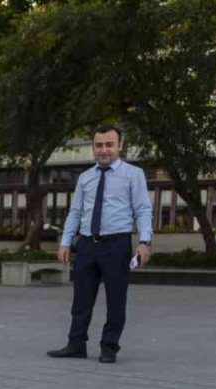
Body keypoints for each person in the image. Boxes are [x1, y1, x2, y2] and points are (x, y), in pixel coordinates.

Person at [48, 124, 153, 364]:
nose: (103, 150)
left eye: (109, 145)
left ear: (120, 146)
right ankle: (76, 344)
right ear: (93, 147)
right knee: (81, 299)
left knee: (116, 300)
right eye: (99, 145)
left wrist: (144, 241)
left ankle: (109, 347)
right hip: (86, 244)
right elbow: (75, 212)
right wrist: (66, 242)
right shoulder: (85, 178)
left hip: (117, 245)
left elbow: (143, 209)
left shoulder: (133, 174)